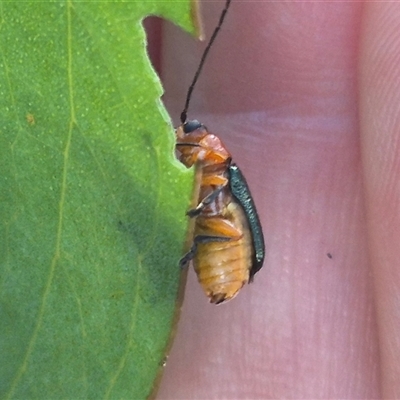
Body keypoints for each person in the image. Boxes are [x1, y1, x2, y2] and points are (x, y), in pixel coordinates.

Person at [151, 2, 400, 398]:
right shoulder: (207, 173)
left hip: (231, 254)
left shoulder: (219, 167)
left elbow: (229, 218)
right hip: (222, 248)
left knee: (213, 219)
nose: (186, 142)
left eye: (191, 136)